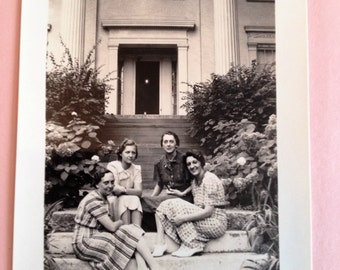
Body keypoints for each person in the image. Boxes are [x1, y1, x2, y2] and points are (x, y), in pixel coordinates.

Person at [72, 170, 159, 270]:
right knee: (116, 242)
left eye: (112, 182)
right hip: (85, 242)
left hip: (98, 236)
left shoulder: (104, 198)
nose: (110, 185)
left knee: (131, 230)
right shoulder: (93, 200)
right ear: (97, 185)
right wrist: (121, 221)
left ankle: (147, 266)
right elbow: (112, 227)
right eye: (106, 182)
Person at [152, 150, 228, 258]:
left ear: (201, 163)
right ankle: (160, 244)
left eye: (195, 162)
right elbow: (192, 188)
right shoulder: (195, 181)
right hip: (203, 221)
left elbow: (208, 211)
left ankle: (192, 244)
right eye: (189, 164)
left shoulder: (209, 179)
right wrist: (182, 193)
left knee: (176, 205)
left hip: (215, 222)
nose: (192, 166)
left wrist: (183, 218)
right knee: (162, 208)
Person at [141, 131, 193, 231]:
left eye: (171, 141)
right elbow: (160, 184)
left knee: (150, 203)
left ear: (176, 144)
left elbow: (194, 182)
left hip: (185, 198)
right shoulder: (159, 163)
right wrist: (152, 199)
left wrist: (183, 193)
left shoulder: (185, 159)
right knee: (143, 201)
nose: (168, 144)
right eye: (165, 142)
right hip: (169, 198)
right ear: (162, 144)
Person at [107, 139, 143, 226]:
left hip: (130, 200)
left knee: (135, 199)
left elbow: (139, 192)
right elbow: (114, 189)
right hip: (114, 200)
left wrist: (123, 190)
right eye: (127, 152)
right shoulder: (113, 166)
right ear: (120, 153)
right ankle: (125, 232)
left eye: (133, 153)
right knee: (125, 199)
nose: (130, 155)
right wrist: (130, 191)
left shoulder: (136, 169)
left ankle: (137, 231)